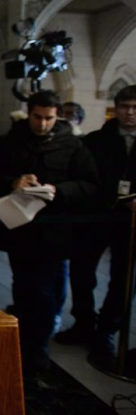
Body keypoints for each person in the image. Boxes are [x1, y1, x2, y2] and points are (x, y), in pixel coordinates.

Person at [0, 90, 98, 374]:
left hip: (54, 233)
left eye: (49, 119)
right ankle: (25, 341)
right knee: (23, 286)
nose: (43, 124)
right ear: (29, 113)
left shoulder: (71, 145)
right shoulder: (11, 142)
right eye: (37, 117)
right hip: (19, 230)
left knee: (44, 292)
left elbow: (90, 184)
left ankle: (38, 346)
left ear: (57, 116)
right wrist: (14, 182)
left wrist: (59, 190)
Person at [54, 85, 136, 367]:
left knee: (123, 278)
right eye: (125, 106)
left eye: (135, 108)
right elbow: (85, 175)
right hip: (95, 217)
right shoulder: (97, 140)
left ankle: (107, 331)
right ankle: (84, 322)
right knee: (82, 271)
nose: (130, 113)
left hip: (130, 222)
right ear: (116, 108)